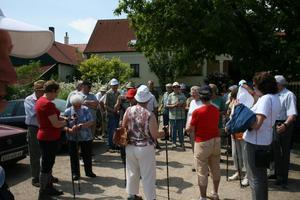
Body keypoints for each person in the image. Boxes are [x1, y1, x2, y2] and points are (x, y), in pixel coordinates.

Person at [122, 85, 164, 200]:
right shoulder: (150, 114)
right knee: (148, 175)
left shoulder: (129, 110)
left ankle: (132, 195)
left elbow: (123, 127)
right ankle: (150, 198)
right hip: (145, 148)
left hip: (130, 146)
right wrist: (164, 133)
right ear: (148, 99)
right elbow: (155, 135)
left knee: (131, 172)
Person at [243, 72, 281, 200]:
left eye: (254, 85)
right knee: (261, 177)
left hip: (255, 143)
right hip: (264, 141)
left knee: (256, 179)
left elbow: (257, 124)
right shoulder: (275, 97)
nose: (253, 87)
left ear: (262, 85)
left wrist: (242, 123)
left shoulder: (265, 99)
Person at [186, 85, 221, 200]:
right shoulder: (216, 109)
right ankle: (215, 193)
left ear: (201, 97)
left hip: (202, 142)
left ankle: (203, 197)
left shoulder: (197, 111)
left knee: (202, 171)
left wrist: (187, 128)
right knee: (215, 168)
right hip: (216, 140)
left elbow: (190, 129)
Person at [35, 80, 67, 199]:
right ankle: (43, 192)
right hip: (48, 137)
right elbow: (55, 124)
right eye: (57, 93)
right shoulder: (47, 103)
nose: (57, 95)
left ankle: (48, 188)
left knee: (48, 163)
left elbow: (52, 118)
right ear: (52, 91)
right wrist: (67, 121)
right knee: (46, 165)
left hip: (47, 136)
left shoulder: (41, 101)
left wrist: (63, 117)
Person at [272, 75, 297, 188]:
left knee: (284, 151)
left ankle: (284, 178)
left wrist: (285, 125)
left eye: (275, 83)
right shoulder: (274, 94)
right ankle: (278, 175)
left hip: (284, 123)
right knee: (276, 150)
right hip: (274, 123)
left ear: (279, 84)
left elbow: (292, 114)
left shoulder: (289, 95)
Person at [64, 94, 96, 180]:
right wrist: (69, 130)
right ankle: (75, 174)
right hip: (72, 137)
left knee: (87, 155)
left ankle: (89, 171)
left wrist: (81, 126)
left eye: (79, 105)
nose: (78, 107)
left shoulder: (85, 110)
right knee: (73, 156)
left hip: (86, 137)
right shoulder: (67, 111)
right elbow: (63, 126)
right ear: (72, 104)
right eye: (75, 106)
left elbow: (91, 122)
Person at [24, 80, 46, 187]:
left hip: (44, 128)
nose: (43, 93)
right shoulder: (29, 99)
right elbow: (33, 113)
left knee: (46, 154)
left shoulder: (45, 99)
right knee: (35, 155)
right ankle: (35, 178)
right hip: (34, 129)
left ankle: (47, 176)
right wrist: (43, 105)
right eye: (42, 91)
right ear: (36, 90)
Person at [226, 87, 248, 185]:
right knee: (235, 155)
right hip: (234, 133)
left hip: (243, 134)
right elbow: (231, 116)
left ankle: (247, 175)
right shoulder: (233, 103)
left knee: (245, 155)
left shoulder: (246, 103)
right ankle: (239, 172)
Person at [185, 86, 203, 171]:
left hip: (200, 128)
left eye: (194, 93)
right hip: (191, 128)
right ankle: (196, 163)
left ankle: (203, 166)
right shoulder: (192, 102)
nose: (193, 94)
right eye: (192, 93)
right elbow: (189, 115)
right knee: (193, 146)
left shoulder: (203, 102)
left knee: (201, 147)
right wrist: (187, 125)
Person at [167, 82, 186, 150]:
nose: (176, 88)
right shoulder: (170, 95)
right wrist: (174, 105)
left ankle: (181, 142)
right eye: (174, 87)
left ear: (179, 88)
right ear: (173, 88)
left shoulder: (182, 95)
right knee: (174, 131)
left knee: (180, 131)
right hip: (172, 116)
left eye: (177, 87)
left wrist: (182, 105)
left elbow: (185, 105)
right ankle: (174, 143)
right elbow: (167, 105)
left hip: (181, 116)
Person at [104, 78, 121, 151]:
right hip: (110, 114)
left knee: (117, 129)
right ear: (111, 86)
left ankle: (116, 144)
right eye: (113, 85)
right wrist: (112, 110)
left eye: (116, 85)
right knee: (111, 130)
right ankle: (111, 145)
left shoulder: (119, 93)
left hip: (117, 114)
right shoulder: (108, 93)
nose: (115, 87)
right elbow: (105, 105)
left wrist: (118, 110)